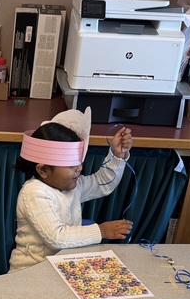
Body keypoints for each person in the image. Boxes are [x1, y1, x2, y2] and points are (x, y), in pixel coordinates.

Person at [8, 107, 133, 272]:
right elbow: (57, 237)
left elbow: (102, 183)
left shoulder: (72, 185)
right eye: (71, 165)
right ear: (43, 170)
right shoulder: (34, 192)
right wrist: (101, 231)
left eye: (79, 162)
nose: (79, 168)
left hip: (61, 269)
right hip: (30, 273)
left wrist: (117, 155)